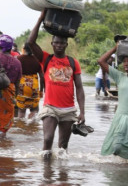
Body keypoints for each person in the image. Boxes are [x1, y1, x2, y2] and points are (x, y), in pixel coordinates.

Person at [27, 10, 85, 159]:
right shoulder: (45, 58)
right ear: (52, 44)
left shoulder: (73, 62)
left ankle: (61, 178)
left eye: (62, 43)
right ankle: (47, 178)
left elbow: (79, 88)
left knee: (63, 147)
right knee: (47, 139)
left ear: (66, 44)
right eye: (56, 43)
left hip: (68, 109)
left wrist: (82, 112)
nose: (59, 45)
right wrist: (40, 18)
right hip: (50, 107)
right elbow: (30, 42)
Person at [16, 43, 44, 120]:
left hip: (22, 86)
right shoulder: (37, 60)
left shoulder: (18, 58)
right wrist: (41, 90)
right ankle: (32, 125)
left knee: (21, 110)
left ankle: (21, 127)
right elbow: (42, 77)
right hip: (34, 87)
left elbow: (15, 74)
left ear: (24, 49)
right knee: (35, 109)